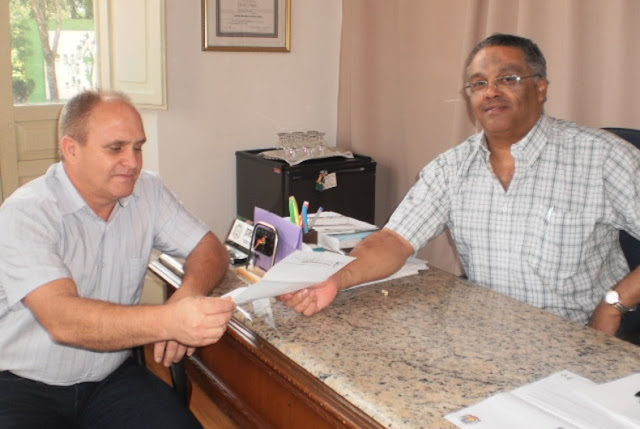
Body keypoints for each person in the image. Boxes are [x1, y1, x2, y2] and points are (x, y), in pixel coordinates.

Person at [280, 33, 640, 338]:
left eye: (508, 79)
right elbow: (395, 240)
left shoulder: (602, 158)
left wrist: (614, 304)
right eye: (479, 83)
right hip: (488, 336)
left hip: (578, 338)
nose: (491, 91)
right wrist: (333, 279)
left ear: (540, 87)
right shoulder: (452, 168)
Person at [0, 89, 236, 429]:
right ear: (71, 149)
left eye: (137, 147)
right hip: (21, 385)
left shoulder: (148, 191)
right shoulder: (27, 212)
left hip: (110, 378)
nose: (133, 162)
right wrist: (169, 321)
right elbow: (63, 320)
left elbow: (210, 249)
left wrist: (187, 295)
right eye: (116, 148)